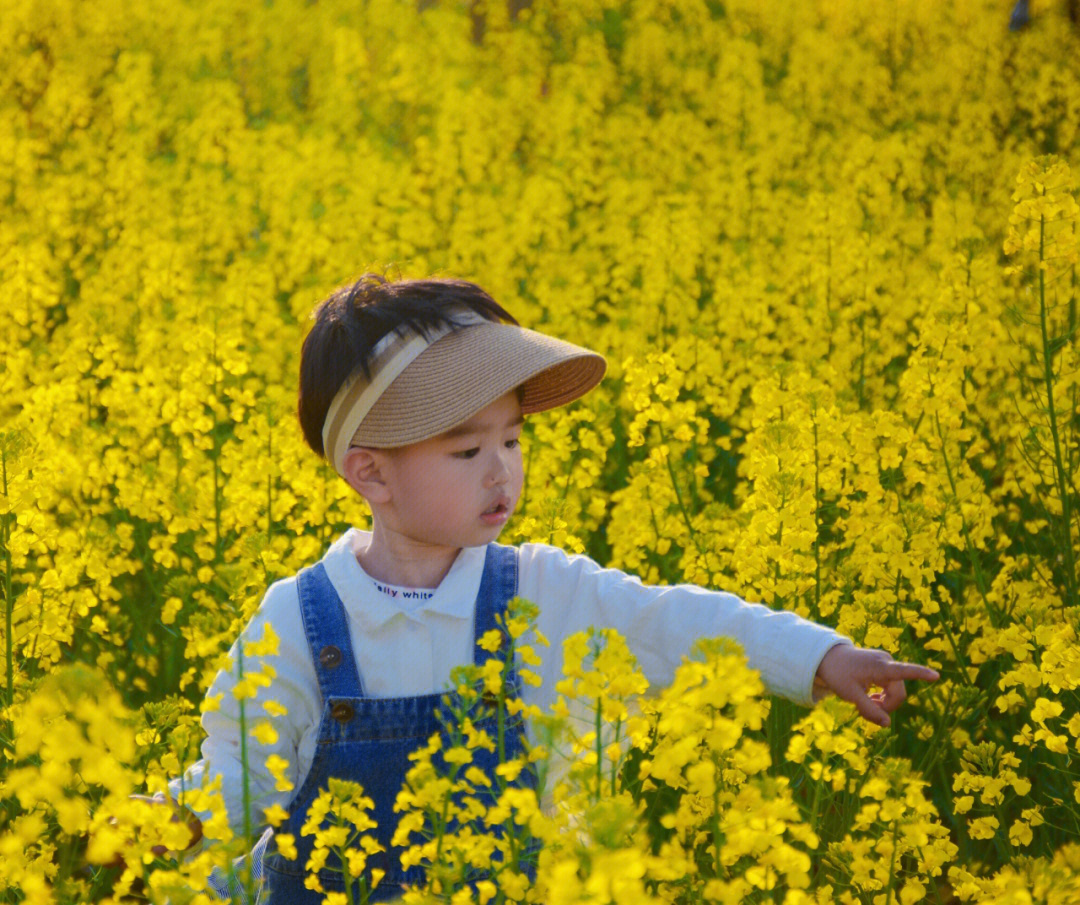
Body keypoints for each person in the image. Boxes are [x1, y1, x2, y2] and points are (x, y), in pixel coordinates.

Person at [167, 273, 939, 903]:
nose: (502, 469)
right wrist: (165, 829)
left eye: (512, 438)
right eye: (467, 449)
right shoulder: (299, 619)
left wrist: (819, 658)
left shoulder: (541, 588)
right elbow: (241, 779)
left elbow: (672, 625)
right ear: (370, 471)